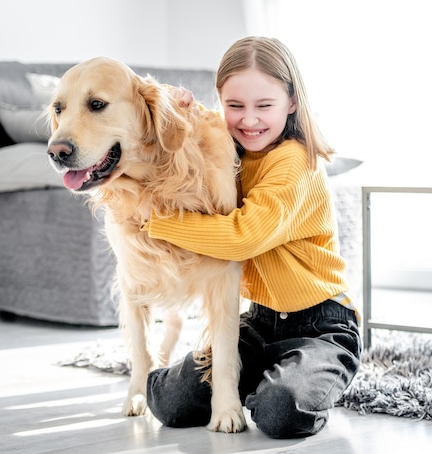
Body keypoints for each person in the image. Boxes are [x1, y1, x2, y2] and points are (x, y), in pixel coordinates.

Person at [142, 36, 361, 439]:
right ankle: (265, 379)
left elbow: (243, 237)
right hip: (258, 323)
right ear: (220, 101)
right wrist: (177, 109)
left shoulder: (296, 163)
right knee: (168, 403)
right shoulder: (234, 149)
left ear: (292, 102)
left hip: (322, 325)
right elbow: (190, 143)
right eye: (234, 106)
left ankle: (308, 380)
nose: (249, 120)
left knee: (279, 410)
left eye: (265, 106)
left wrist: (158, 221)